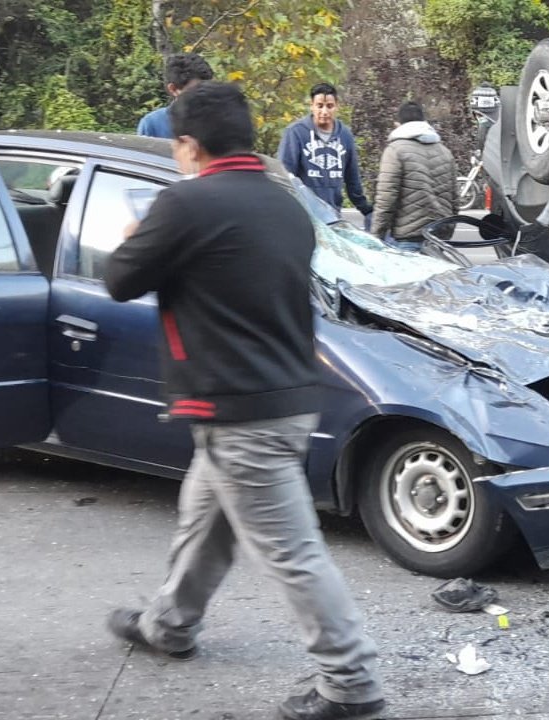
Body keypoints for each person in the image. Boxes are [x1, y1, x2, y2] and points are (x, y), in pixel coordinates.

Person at [102, 82, 386, 720]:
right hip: (285, 400)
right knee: (203, 521)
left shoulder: (184, 204)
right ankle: (169, 624)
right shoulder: (287, 206)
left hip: (239, 415)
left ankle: (352, 684)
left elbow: (121, 281)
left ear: (188, 144)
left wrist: (135, 233)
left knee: (293, 552)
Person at [277, 82, 374, 223]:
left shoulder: (345, 135)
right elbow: (284, 176)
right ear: (312, 106)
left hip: (333, 216)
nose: (324, 111)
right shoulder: (296, 133)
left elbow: (352, 179)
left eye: (329, 106)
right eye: (319, 106)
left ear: (336, 106)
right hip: (304, 217)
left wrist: (367, 210)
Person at [369, 101, 457, 249]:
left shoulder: (395, 151)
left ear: (398, 124)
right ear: (424, 122)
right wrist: (448, 231)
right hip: (439, 240)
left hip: (408, 239)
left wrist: (377, 236)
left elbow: (386, 199)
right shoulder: (445, 152)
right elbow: (455, 200)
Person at [136, 53, 213, 139]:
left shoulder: (218, 121)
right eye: (194, 91)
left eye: (206, 89)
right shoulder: (152, 124)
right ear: (173, 89)